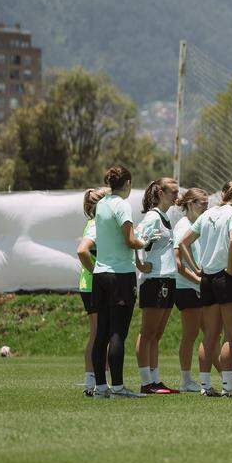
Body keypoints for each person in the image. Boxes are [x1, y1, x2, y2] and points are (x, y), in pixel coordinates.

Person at [88, 166, 152, 399]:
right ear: (126, 183)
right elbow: (130, 240)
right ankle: (117, 388)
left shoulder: (101, 204)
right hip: (120, 275)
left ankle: (101, 387)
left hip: (100, 274)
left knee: (101, 333)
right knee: (117, 333)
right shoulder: (121, 204)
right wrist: (145, 241)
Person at [178, 180, 232, 397]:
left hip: (207, 279)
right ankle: (228, 386)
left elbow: (183, 242)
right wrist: (228, 266)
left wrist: (198, 268)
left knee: (210, 335)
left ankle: (206, 386)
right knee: (230, 336)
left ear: (222, 193)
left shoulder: (206, 215)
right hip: (227, 278)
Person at [134, 177, 180, 394]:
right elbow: (135, 238)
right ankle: (145, 383)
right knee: (148, 332)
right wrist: (140, 264)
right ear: (160, 193)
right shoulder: (152, 216)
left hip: (167, 279)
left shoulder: (164, 217)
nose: (176, 196)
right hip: (154, 280)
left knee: (157, 334)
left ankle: (155, 380)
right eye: (173, 192)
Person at [171, 187, 207, 394]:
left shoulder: (197, 225)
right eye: (202, 203)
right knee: (191, 334)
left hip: (196, 286)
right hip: (186, 287)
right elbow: (177, 262)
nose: (205, 207)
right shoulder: (182, 226)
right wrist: (197, 280)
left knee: (209, 333)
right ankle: (185, 380)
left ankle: (226, 377)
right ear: (191, 204)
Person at [75, 187, 108, 396]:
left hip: (96, 285)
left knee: (101, 333)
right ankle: (91, 380)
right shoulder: (95, 224)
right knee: (97, 333)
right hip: (92, 285)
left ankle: (99, 378)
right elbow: (82, 251)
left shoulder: (101, 224)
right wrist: (96, 272)